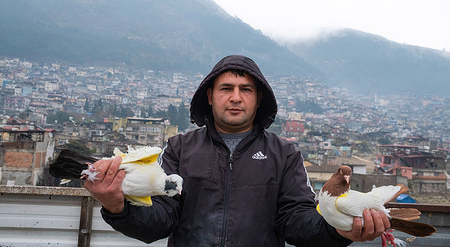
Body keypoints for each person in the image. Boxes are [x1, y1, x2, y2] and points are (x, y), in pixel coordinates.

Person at [85, 55, 390, 246]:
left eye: (245, 90)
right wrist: (119, 207)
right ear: (210, 95)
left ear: (258, 99)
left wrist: (339, 230)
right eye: (226, 88)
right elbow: (161, 220)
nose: (235, 97)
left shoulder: (284, 154)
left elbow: (296, 221)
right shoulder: (180, 148)